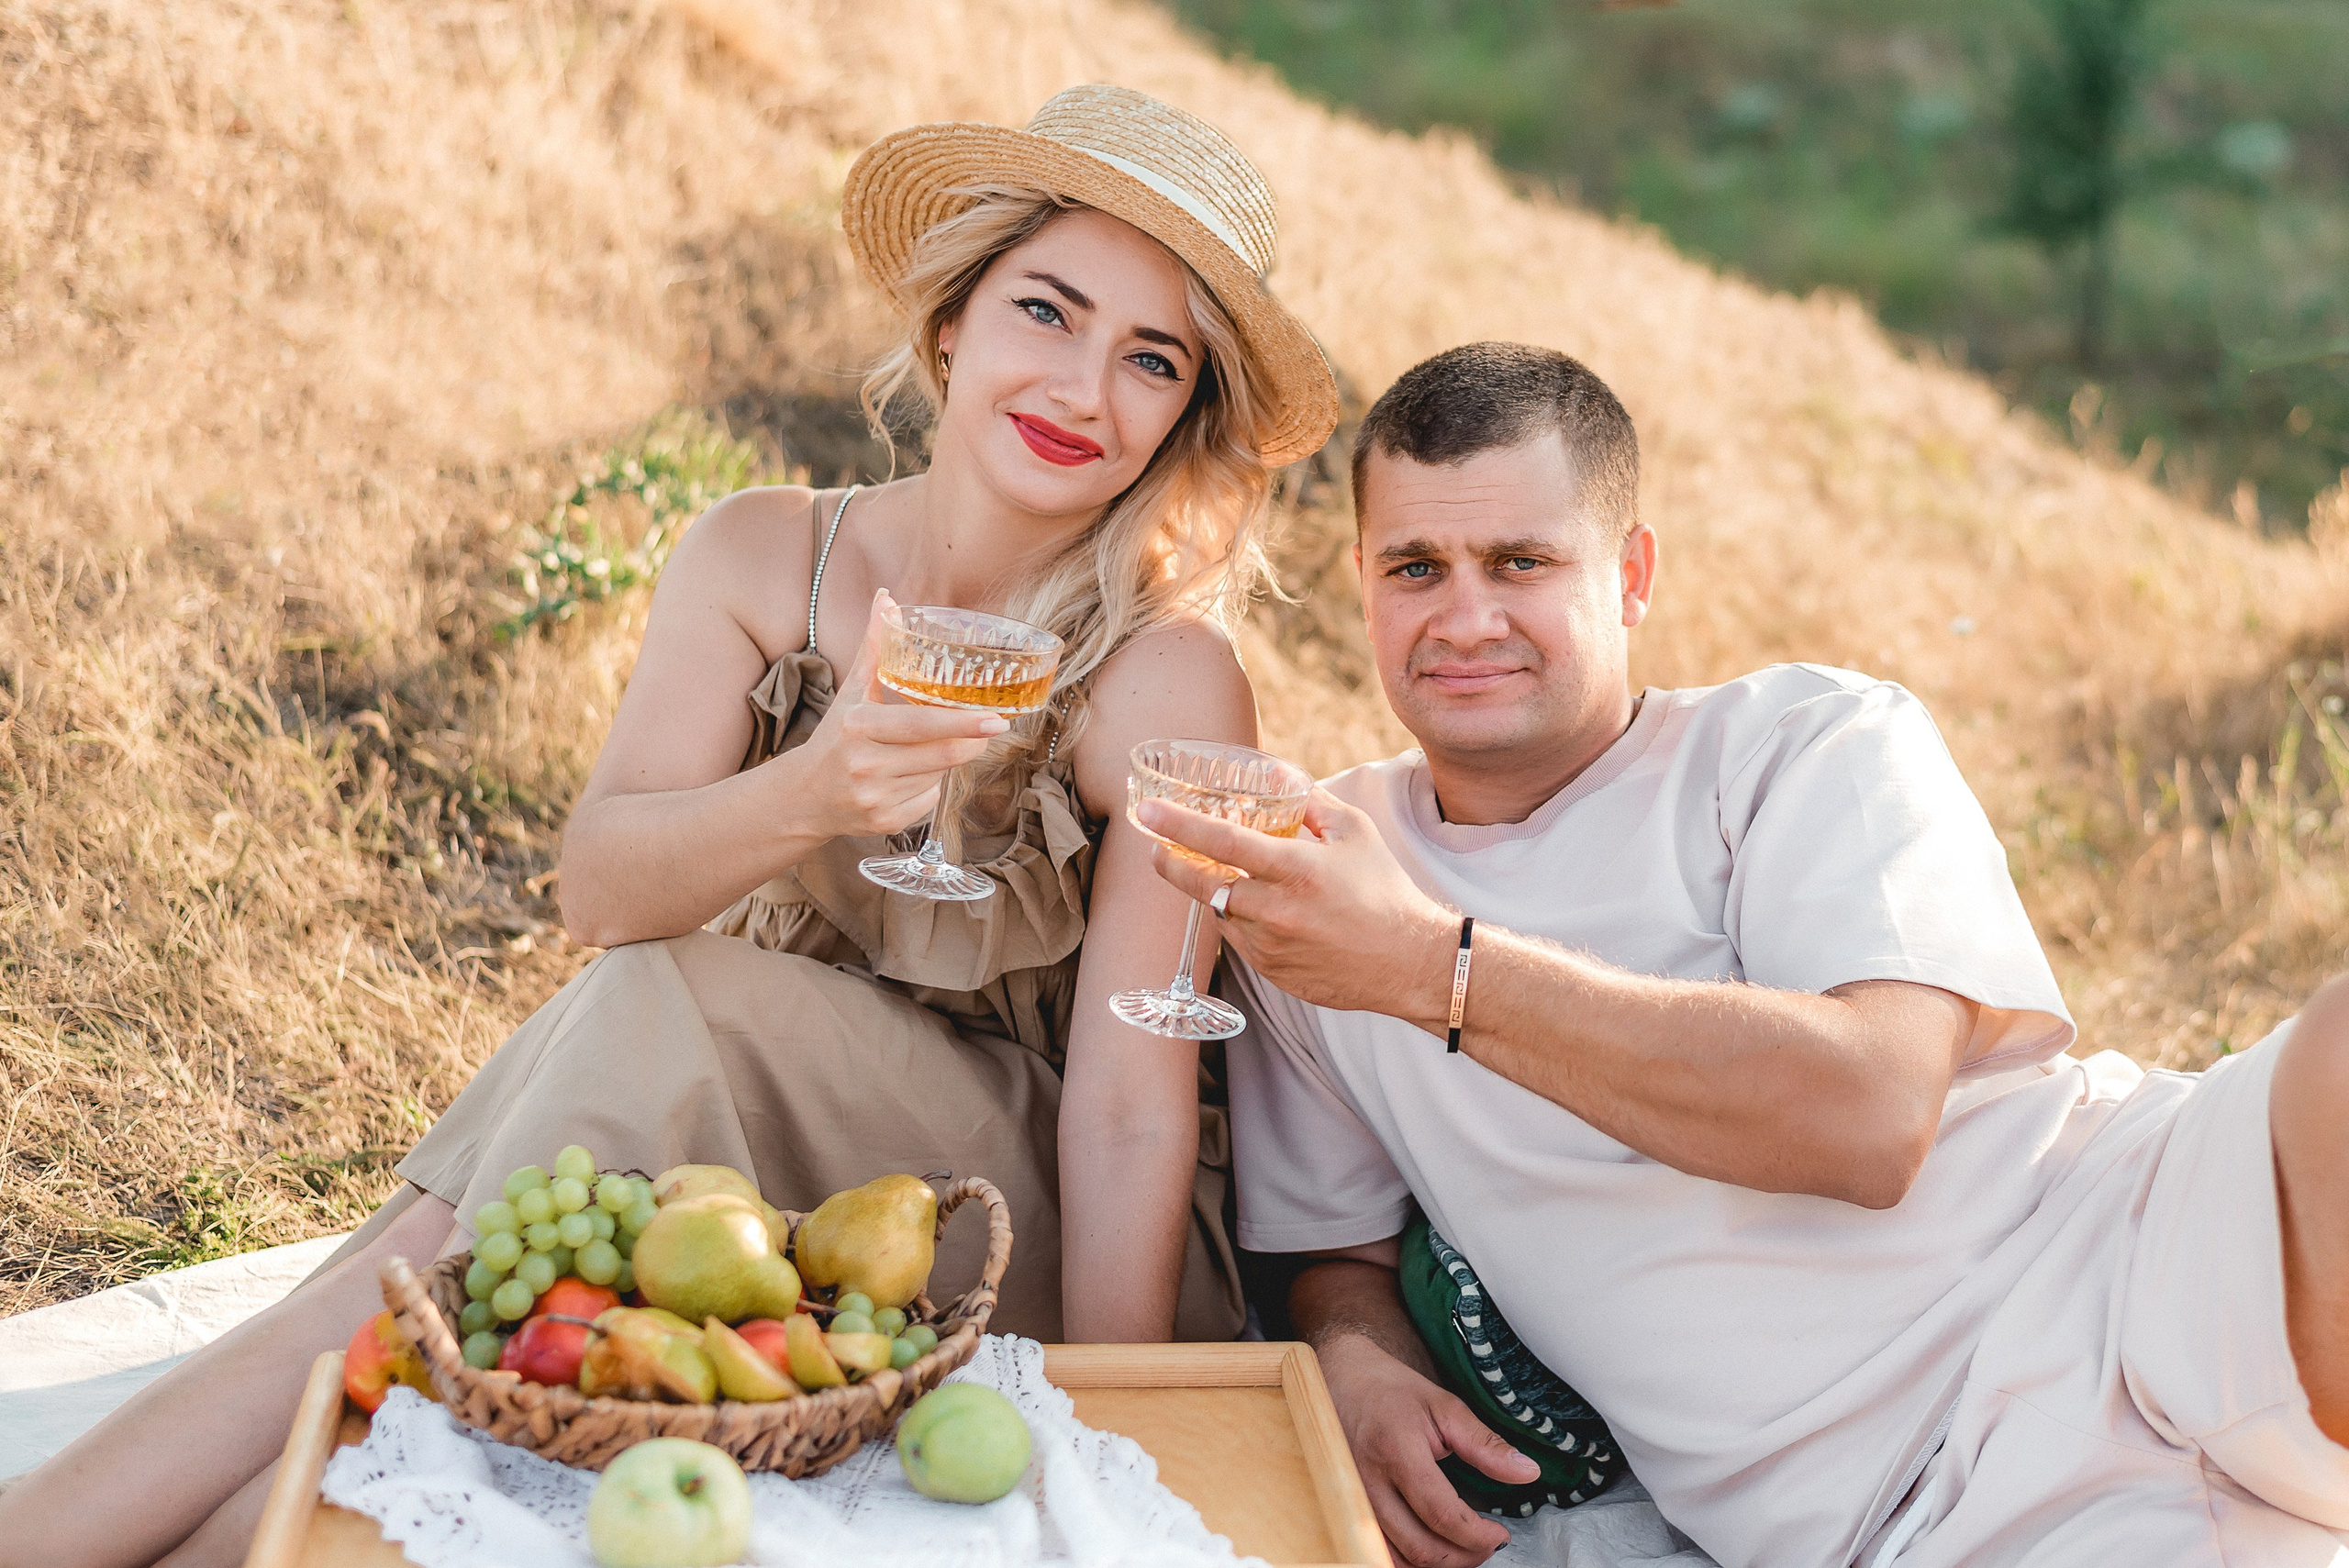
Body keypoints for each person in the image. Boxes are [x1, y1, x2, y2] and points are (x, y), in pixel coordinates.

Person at [0, 84, 1340, 1568]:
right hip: (746, 1166)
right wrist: (821, 787)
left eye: (1149, 358)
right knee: (436, 1284)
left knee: (510, 1175)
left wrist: (1111, 1422)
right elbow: (601, 886)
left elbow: (1133, 1105)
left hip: (1014, 1223)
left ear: (1180, 416)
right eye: (1047, 310)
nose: (1085, 388)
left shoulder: (1163, 672)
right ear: (955, 322)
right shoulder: (762, 552)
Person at [1139, 341, 2349, 1568]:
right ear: (1362, 582)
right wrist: (1355, 1354)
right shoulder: (1315, 879)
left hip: (2142, 1248)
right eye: (1416, 567)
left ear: (1632, 575)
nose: (1465, 616)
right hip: (1914, 1515)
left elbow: (1870, 1114)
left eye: (1521, 561)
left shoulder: (1803, 743)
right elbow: (1330, 1251)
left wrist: (1431, 966)